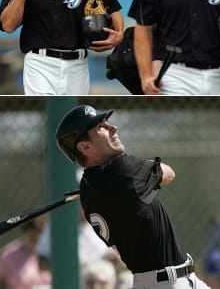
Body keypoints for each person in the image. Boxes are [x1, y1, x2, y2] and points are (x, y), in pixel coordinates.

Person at [55, 104, 210, 289]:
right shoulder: (121, 169)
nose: (114, 128)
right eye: (101, 128)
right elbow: (169, 173)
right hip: (168, 283)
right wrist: (142, 169)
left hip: (162, 281)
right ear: (85, 145)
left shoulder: (88, 190)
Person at [0, 218, 51, 289]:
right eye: (32, 238)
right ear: (24, 233)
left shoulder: (49, 252)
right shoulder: (10, 255)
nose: (36, 242)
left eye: (39, 238)